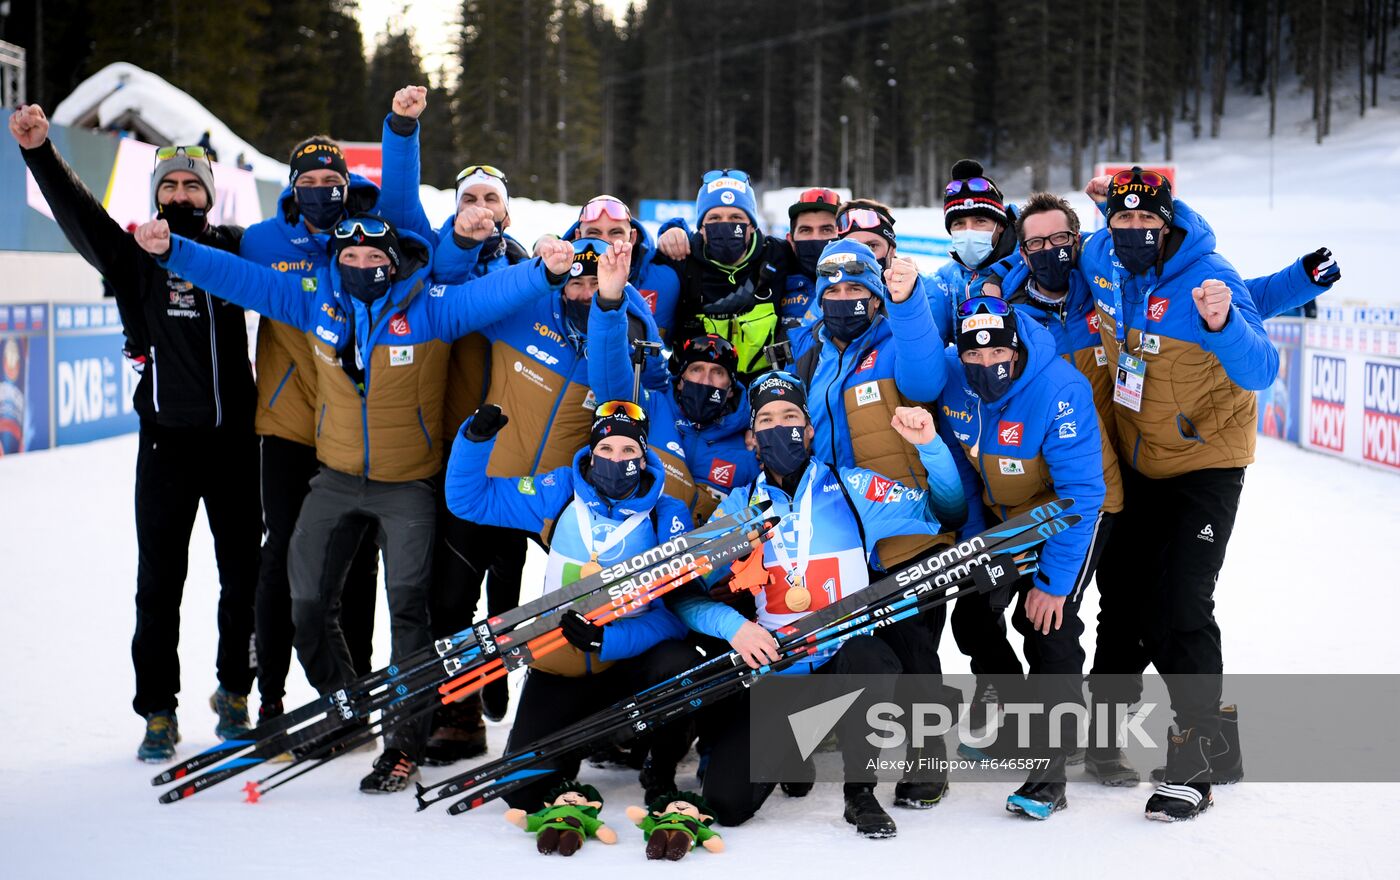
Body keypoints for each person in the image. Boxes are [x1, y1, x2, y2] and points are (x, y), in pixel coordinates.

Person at [133, 211, 576, 793]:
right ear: (337, 264)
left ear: (393, 265)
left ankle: (403, 742)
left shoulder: (428, 309)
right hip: (337, 478)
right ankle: (347, 703)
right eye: (351, 259)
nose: (362, 267)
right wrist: (174, 254)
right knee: (306, 602)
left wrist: (543, 273)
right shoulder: (317, 303)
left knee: (409, 611)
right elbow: (240, 279)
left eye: (375, 260)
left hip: (408, 485)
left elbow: (490, 295)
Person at [11, 104, 261, 762]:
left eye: (191, 186)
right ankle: (157, 709)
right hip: (167, 447)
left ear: (209, 194)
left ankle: (236, 691)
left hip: (236, 443)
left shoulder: (237, 250)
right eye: (170, 187)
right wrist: (40, 153)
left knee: (245, 577)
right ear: (157, 195)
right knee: (159, 585)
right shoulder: (132, 258)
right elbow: (79, 216)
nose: (180, 195)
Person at [670, 372, 967, 839]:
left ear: (809, 431)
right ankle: (793, 751)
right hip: (781, 673)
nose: (778, 427)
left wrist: (929, 445)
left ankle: (859, 793)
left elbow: (947, 512)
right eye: (766, 420)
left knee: (872, 653)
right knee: (726, 804)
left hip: (846, 663)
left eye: (790, 417)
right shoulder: (737, 510)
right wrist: (735, 628)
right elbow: (682, 593)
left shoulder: (852, 489)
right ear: (751, 439)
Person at [1080, 166, 1278, 821]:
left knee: (1181, 601)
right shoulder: (1099, 256)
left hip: (1206, 465)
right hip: (1140, 457)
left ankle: (1193, 761)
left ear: (1171, 225)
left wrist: (1221, 323)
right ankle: (1212, 741)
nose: (1134, 231)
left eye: (1148, 222)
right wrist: (1106, 198)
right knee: (1127, 598)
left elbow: (1262, 369)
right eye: (1124, 220)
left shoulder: (1207, 276)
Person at [375, 85, 536, 746]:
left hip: (524, 455)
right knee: (452, 597)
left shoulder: (533, 271)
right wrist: (403, 130)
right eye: (468, 198)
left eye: (490, 199)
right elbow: (399, 204)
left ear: (507, 211)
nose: (479, 209)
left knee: (510, 592)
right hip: (457, 458)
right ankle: (463, 710)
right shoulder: (436, 267)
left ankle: (501, 681)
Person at [444, 399, 702, 808]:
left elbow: (673, 617)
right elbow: (469, 501)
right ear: (592, 451)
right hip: (562, 663)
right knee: (523, 794)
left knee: (678, 660)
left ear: (644, 455)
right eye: (606, 449)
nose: (616, 459)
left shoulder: (665, 514)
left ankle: (659, 758)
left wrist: (609, 640)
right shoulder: (562, 490)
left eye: (628, 451)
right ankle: (575, 750)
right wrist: (474, 441)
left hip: (625, 666)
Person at [925, 296, 1115, 818]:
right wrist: (974, 540)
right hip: (1003, 514)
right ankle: (1017, 721)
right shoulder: (952, 380)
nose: (987, 367)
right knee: (973, 614)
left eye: (998, 355)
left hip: (1073, 511)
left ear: (1016, 344)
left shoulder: (1059, 389)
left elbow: (1080, 494)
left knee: (1046, 623)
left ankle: (1050, 771)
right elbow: (963, 470)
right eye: (974, 358)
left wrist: (1052, 583)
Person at [238, 134, 383, 725]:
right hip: (290, 424)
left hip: (355, 428)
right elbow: (219, 286)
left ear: (347, 187)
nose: (322, 194)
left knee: (357, 562)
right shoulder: (263, 242)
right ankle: (269, 694)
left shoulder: (369, 232)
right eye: (309, 184)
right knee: (282, 557)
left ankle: (355, 692)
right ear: (293, 189)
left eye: (332, 184)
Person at [587, 240, 757, 524]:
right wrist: (609, 301)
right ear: (680, 380)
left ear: (730, 390)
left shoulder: (748, 444)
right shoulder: (649, 408)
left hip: (704, 558)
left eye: (718, 373)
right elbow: (609, 375)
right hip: (635, 541)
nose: (705, 379)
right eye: (696, 370)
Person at [655, 169, 792, 379]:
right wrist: (669, 232)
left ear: (752, 226)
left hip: (761, 393)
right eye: (715, 218)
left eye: (736, 216)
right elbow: (638, 261)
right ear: (701, 227)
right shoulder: (683, 260)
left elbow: (821, 256)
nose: (726, 225)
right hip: (696, 394)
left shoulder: (777, 256)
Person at [557, 194, 683, 341]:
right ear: (578, 236)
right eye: (593, 233)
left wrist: (679, 231)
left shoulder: (665, 281)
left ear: (632, 237)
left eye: (616, 233)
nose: (605, 242)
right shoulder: (556, 276)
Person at [928, 160, 1022, 326]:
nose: (969, 231)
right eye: (959, 224)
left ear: (1000, 225)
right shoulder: (947, 277)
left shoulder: (1027, 265)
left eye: (980, 221)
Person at [776, 187, 842, 341]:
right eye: (806, 230)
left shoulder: (863, 286)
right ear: (791, 240)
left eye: (826, 230)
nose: (816, 238)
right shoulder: (772, 283)